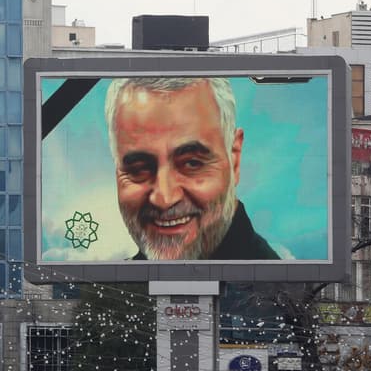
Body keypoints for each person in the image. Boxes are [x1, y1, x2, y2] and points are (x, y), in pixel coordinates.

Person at [105, 76, 280, 261]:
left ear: (234, 159)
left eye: (192, 163)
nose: (164, 198)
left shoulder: (282, 288)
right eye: (138, 169)